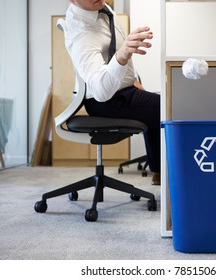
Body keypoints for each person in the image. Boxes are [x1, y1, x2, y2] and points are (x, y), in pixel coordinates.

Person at [65, 0, 161, 185]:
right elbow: (102, 91)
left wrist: (134, 80)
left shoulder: (102, 7)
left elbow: (113, 49)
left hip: (123, 89)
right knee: (167, 108)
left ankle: (158, 170)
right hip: (105, 100)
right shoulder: (81, 32)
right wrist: (123, 54)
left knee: (158, 105)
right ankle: (186, 175)